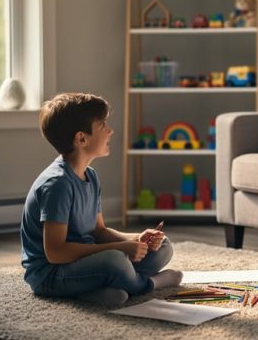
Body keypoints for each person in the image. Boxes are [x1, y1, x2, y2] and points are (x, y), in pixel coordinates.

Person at [21, 93, 182, 306]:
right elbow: (56, 253)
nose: (110, 131)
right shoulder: (57, 184)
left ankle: (97, 290)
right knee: (115, 260)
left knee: (163, 247)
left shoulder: (91, 175)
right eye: (103, 125)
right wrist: (119, 250)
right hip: (51, 275)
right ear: (81, 139)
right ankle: (150, 284)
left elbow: (99, 232)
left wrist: (135, 239)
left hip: (84, 262)